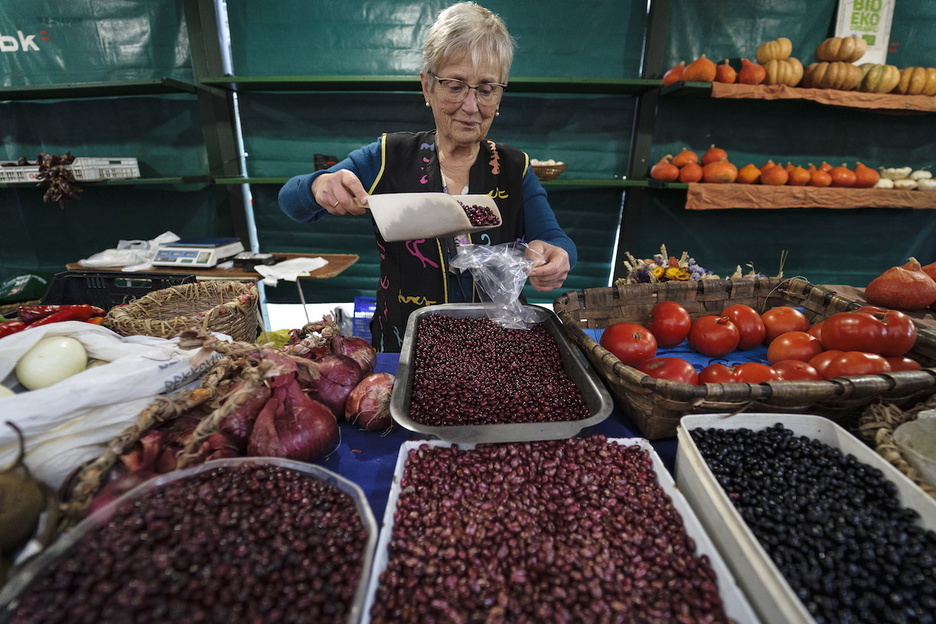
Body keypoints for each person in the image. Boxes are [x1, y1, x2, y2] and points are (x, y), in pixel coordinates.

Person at [278, 1, 577, 352]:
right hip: (403, 342)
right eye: (455, 86)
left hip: (497, 348)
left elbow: (553, 237)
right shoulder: (387, 156)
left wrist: (557, 255)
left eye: (486, 89)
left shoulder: (514, 167)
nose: (471, 106)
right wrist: (318, 186)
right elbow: (291, 202)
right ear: (427, 87)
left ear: (500, 95)